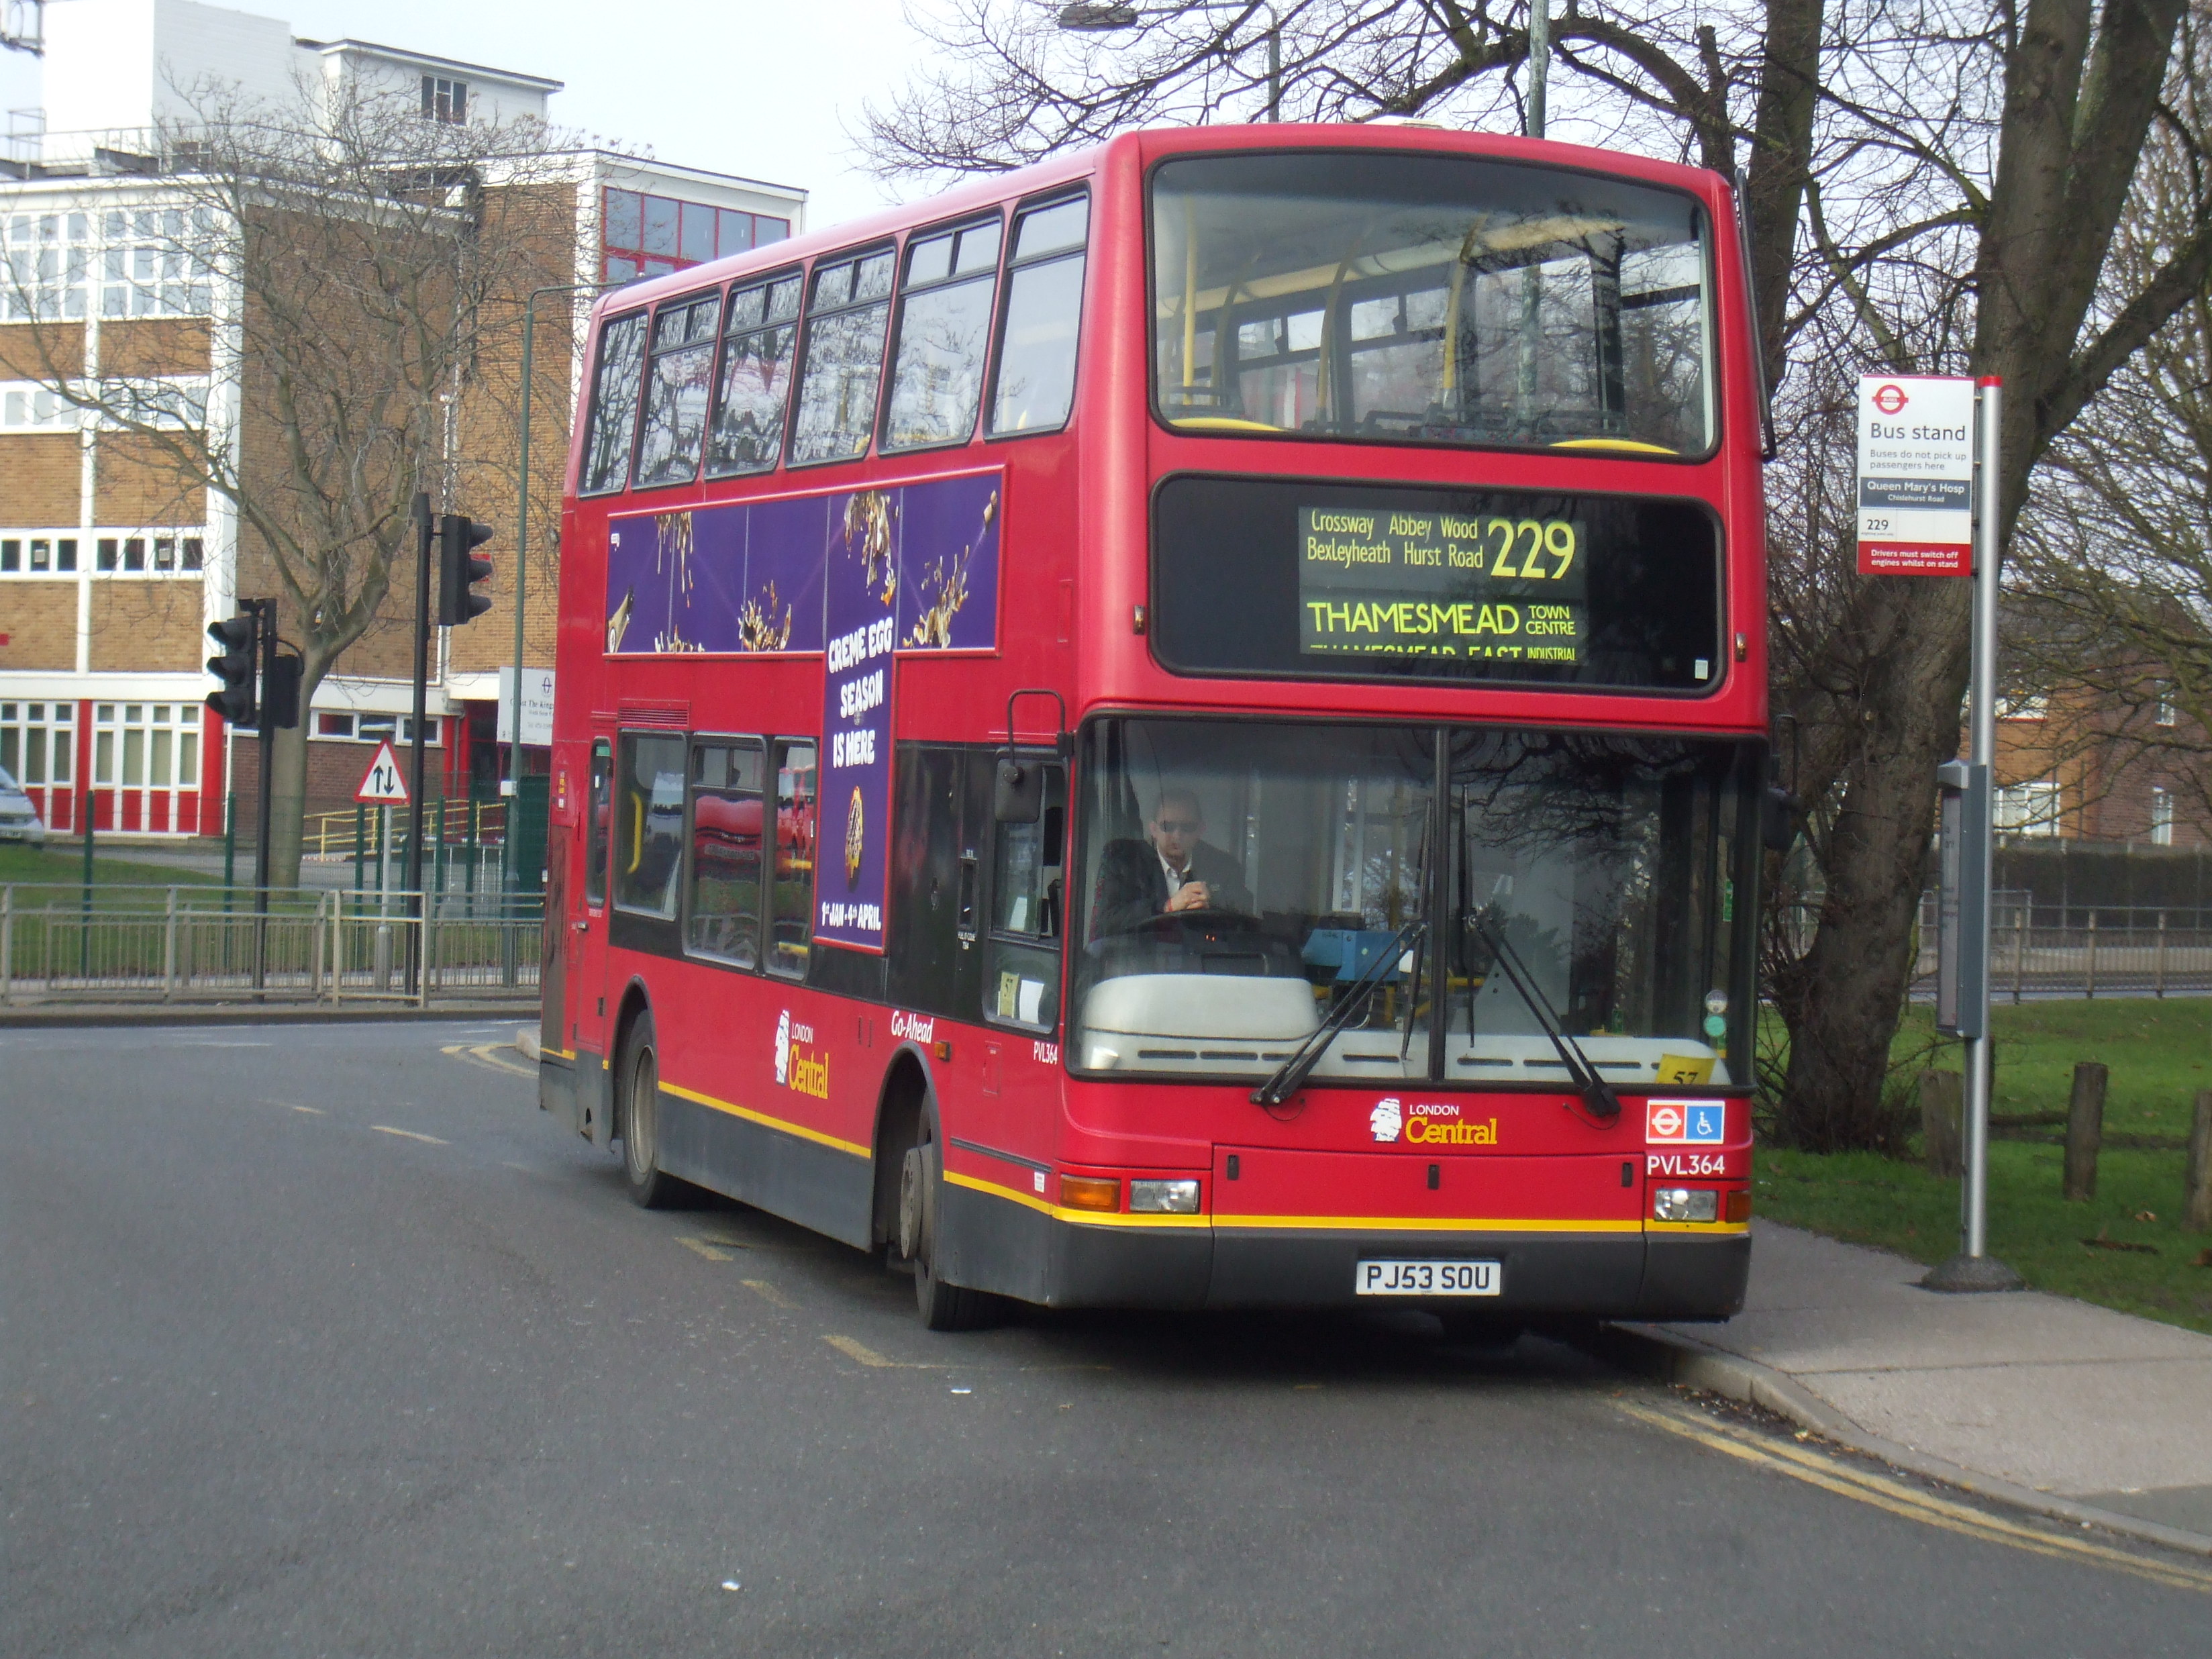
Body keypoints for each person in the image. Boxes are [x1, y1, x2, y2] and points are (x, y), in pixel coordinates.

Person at [1089, 787, 1253, 937]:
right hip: (1140, 958)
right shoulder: (1124, 862)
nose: (1177, 835)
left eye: (1187, 827)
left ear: (1201, 830)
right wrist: (1168, 906)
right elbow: (1106, 923)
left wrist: (1213, 902)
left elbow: (1245, 917)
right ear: (1153, 830)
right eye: (1168, 827)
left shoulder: (1223, 866)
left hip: (1202, 957)